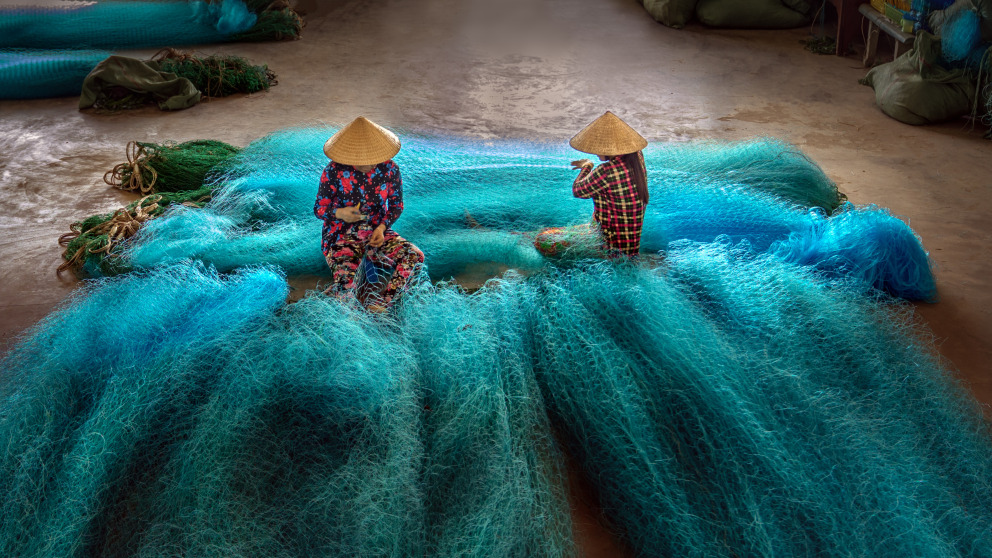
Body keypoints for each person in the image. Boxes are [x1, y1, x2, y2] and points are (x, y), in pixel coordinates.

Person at [314, 116, 424, 310]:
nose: (373, 165)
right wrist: (340, 213)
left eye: (376, 159)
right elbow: (319, 209)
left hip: (376, 233)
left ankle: (382, 303)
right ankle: (344, 289)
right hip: (340, 236)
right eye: (367, 162)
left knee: (414, 257)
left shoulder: (389, 169)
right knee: (346, 286)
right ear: (352, 157)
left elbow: (396, 206)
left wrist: (381, 228)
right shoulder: (333, 171)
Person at [567, 111, 649, 257]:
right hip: (631, 241)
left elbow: (577, 191)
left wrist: (587, 165)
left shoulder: (606, 171)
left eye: (599, 148)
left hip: (611, 246)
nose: (596, 153)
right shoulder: (637, 156)